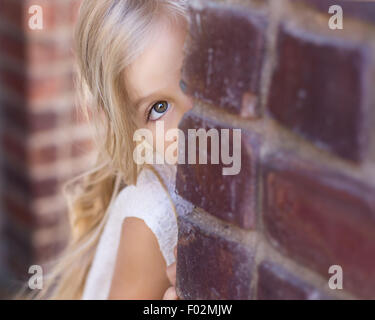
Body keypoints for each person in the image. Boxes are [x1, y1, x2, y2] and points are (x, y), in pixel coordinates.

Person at [33, 0, 194, 299]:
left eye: (192, 83)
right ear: (133, 132)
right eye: (158, 108)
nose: (187, 123)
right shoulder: (154, 215)